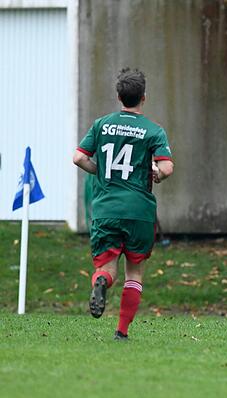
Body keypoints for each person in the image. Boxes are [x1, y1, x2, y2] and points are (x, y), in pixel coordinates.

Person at [73, 68, 174, 340]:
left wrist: (101, 170)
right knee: (134, 272)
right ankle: (121, 331)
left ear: (119, 96)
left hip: (106, 208)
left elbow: (78, 158)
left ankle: (101, 283)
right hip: (139, 211)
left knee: (106, 267)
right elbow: (166, 167)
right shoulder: (153, 130)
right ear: (144, 97)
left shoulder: (101, 125)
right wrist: (157, 174)